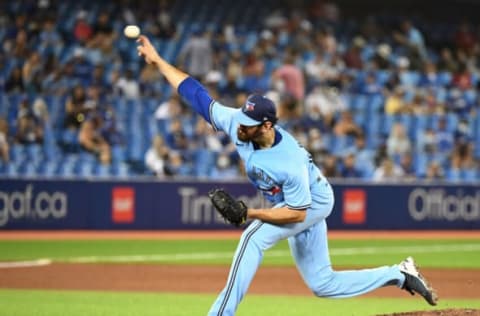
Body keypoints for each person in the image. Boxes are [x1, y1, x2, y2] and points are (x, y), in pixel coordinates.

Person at [136, 35, 438, 315]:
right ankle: (400, 274)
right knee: (323, 284)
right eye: (240, 118)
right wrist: (158, 60)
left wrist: (249, 212)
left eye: (248, 123)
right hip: (296, 202)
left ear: (267, 126)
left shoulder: (289, 161)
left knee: (252, 237)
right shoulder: (237, 124)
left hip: (312, 201)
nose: (239, 126)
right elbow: (196, 94)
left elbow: (296, 213)